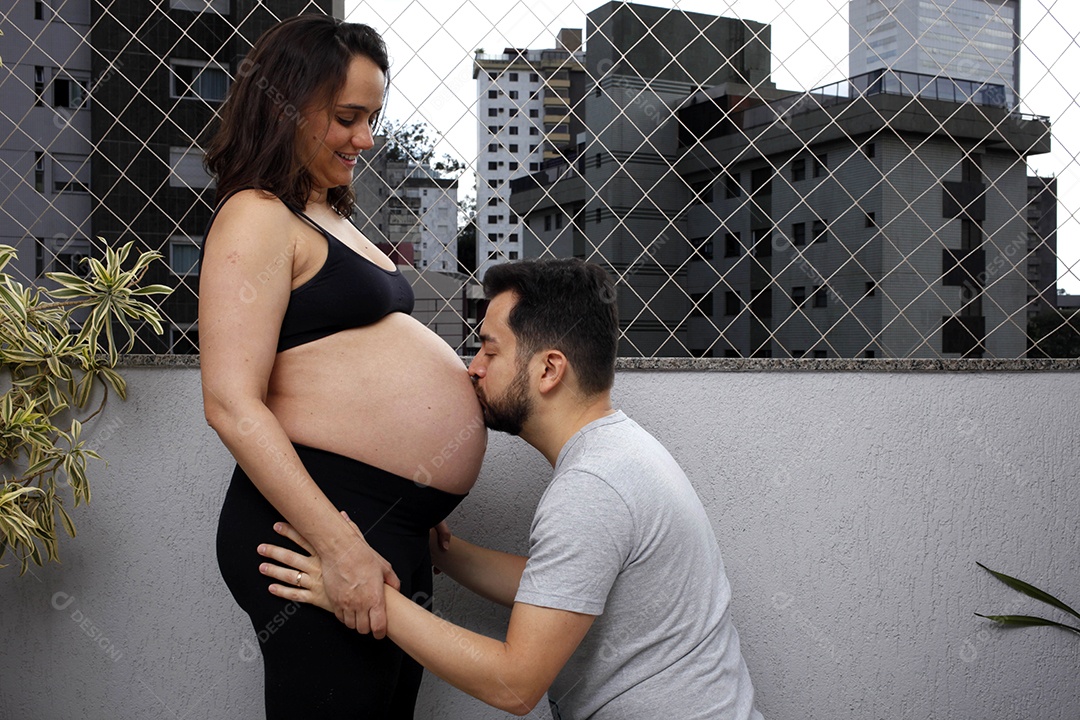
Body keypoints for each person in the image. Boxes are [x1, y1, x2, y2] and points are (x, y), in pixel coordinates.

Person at [258, 258, 763, 719]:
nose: (473, 366)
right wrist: (444, 553)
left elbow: (514, 686)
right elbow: (559, 586)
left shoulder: (593, 487)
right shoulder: (620, 451)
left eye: (489, 348)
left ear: (548, 369)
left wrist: (361, 594)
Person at [198, 14, 486, 718]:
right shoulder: (257, 216)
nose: (366, 138)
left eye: (373, 117)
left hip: (380, 527)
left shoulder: (323, 211)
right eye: (347, 117)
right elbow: (232, 404)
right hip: (318, 532)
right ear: (285, 108)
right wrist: (341, 546)